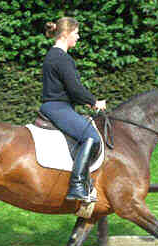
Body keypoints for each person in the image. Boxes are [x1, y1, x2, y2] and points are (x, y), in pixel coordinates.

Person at [40, 17, 107, 202]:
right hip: (58, 107)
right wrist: (94, 102)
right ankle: (77, 185)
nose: (78, 37)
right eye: (76, 33)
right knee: (92, 137)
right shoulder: (62, 58)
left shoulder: (53, 56)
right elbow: (75, 89)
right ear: (65, 34)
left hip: (57, 106)